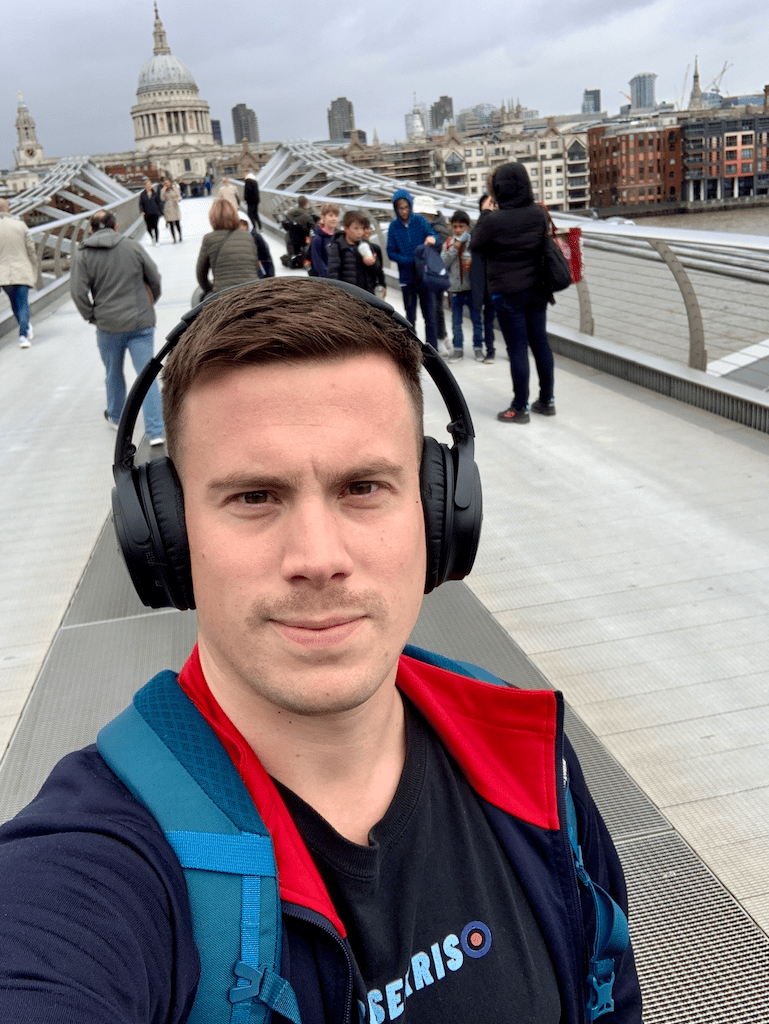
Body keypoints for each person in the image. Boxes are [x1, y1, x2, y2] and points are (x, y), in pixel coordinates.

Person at [0, 277, 642, 1023]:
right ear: (165, 540)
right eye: (254, 496)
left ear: (438, 515)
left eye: (362, 487)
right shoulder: (94, 866)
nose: (317, 556)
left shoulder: (527, 750)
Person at [69, 208, 165, 444]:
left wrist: (92, 316)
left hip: (108, 325)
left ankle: (116, 416)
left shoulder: (83, 254)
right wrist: (149, 303)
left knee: (113, 372)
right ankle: (155, 431)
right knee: (146, 375)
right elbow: (155, 278)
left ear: (91, 230)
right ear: (116, 226)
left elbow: (77, 292)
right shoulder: (132, 246)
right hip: (140, 321)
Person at [470, 163, 555, 423]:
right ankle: (546, 401)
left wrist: (485, 213)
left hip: (508, 293)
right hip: (537, 289)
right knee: (540, 343)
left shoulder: (494, 220)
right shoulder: (538, 214)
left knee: (517, 348)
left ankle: (520, 408)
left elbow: (475, 245)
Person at [386, 188, 438, 349]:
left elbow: (433, 236)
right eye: (400, 208)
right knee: (410, 316)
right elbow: (390, 251)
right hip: (407, 277)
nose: (404, 211)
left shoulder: (420, 221)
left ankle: (432, 349)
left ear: (410, 205)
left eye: (406, 207)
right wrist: (408, 260)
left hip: (424, 276)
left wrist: (431, 239)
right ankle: (414, 349)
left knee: (429, 315)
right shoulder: (394, 227)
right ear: (396, 209)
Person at [441, 210, 484, 363]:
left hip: (472, 289)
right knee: (456, 322)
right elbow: (442, 263)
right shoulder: (448, 243)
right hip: (455, 290)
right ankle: (458, 349)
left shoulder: (474, 242)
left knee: (477, 320)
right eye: (455, 227)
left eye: (461, 226)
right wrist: (454, 249)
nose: (458, 230)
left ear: (467, 226)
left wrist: (473, 264)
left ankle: (478, 348)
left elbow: (481, 262)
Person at [196, 197, 260, 295]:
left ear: (212, 217)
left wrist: (210, 290)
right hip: (252, 292)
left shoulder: (209, 239)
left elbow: (201, 274)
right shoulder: (248, 236)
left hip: (224, 295)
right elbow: (256, 267)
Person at [0, 197, 38, 348]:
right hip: (22, 270)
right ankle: (23, 334)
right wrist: (34, 269)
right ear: (8, 209)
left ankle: (25, 328)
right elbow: (31, 250)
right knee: (23, 303)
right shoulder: (20, 225)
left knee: (14, 304)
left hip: (4, 275)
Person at [413, 196, 450, 349]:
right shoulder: (432, 227)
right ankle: (442, 337)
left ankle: (440, 339)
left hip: (434, 275)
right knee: (435, 307)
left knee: (434, 307)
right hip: (433, 274)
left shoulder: (437, 230)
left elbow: (435, 253)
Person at [469, 194, 496, 364]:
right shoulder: (479, 227)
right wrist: (486, 213)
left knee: (493, 317)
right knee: (486, 317)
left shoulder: (498, 224)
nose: (492, 206)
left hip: (494, 280)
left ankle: (495, 350)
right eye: (489, 203)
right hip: (484, 280)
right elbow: (476, 242)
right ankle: (489, 350)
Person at [326, 210, 368, 289]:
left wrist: (372, 263)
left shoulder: (364, 245)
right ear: (346, 228)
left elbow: (376, 270)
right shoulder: (337, 246)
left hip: (364, 293)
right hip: (347, 293)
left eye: (362, 228)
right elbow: (333, 273)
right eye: (356, 228)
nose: (360, 232)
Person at [282, 196, 316, 269]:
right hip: (302, 241)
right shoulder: (307, 216)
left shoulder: (289, 213)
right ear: (306, 204)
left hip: (289, 239)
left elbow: (285, 225)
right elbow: (315, 228)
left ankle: (292, 260)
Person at [308, 201, 340, 277]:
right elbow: (318, 263)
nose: (334, 219)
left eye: (336, 216)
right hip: (328, 278)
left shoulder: (339, 235)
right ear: (323, 217)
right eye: (331, 215)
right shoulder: (317, 239)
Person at [359, 216, 385, 297]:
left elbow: (380, 269)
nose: (367, 231)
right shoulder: (355, 248)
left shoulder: (375, 248)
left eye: (368, 228)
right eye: (364, 229)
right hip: (361, 288)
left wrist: (383, 285)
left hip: (373, 287)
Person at [138, 179, 163, 245]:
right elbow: (141, 203)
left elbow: (158, 202)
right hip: (147, 213)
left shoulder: (155, 193)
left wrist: (160, 211)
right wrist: (142, 211)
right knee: (148, 228)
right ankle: (152, 237)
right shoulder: (142, 194)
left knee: (155, 226)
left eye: (149, 185)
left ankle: (157, 241)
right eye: (147, 185)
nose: (148, 186)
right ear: (144, 186)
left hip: (155, 212)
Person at [160, 179, 182, 243]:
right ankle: (174, 238)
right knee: (171, 225)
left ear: (170, 183)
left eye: (167, 183)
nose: (166, 184)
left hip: (175, 207)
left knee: (177, 224)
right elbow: (162, 199)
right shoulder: (163, 190)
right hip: (168, 208)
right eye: (165, 183)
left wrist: (178, 199)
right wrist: (163, 191)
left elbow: (179, 197)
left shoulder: (175, 189)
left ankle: (180, 236)